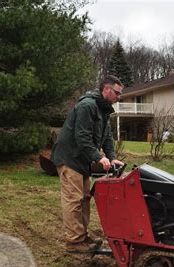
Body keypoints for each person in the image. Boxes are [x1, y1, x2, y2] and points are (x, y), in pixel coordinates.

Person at [51, 75, 124, 253]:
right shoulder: (87, 106)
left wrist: (112, 156)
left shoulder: (103, 109)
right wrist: (98, 157)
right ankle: (74, 242)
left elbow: (107, 136)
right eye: (116, 93)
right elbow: (81, 136)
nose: (118, 97)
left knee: (84, 198)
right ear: (106, 89)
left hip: (82, 160)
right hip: (70, 158)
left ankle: (82, 237)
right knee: (74, 199)